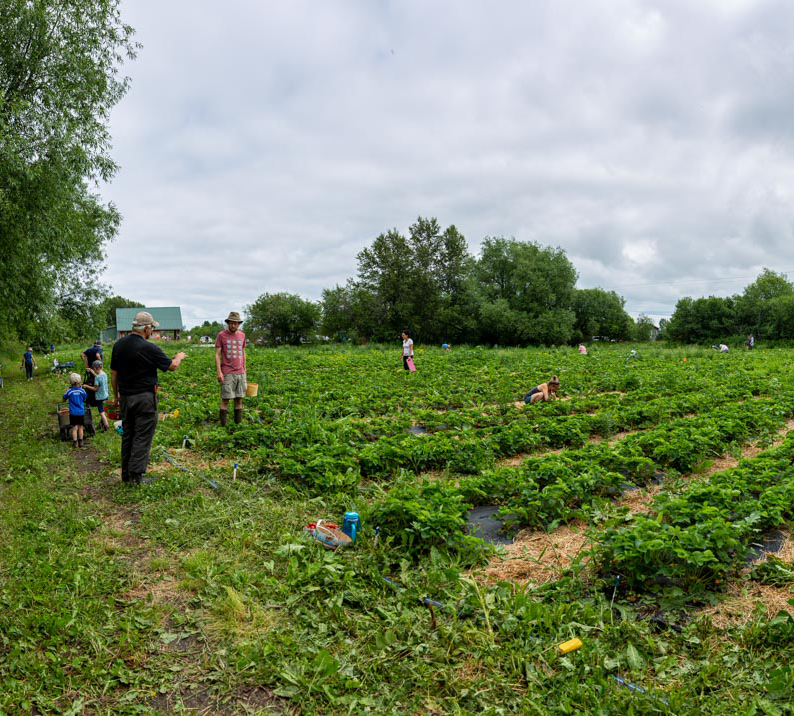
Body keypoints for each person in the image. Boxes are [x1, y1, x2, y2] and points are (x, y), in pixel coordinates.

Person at [110, 311, 187, 485]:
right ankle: (136, 477)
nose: (151, 330)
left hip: (126, 398)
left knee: (128, 435)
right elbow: (172, 366)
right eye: (151, 327)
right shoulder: (148, 347)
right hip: (144, 399)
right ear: (145, 328)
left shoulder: (119, 345)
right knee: (142, 436)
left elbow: (114, 374)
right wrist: (179, 357)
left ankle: (126, 475)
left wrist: (116, 397)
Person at [215, 311, 247, 426]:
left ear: (238, 324)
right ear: (228, 323)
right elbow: (217, 354)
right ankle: (223, 428)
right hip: (227, 373)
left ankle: (237, 426)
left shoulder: (242, 335)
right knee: (226, 399)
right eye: (231, 323)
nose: (233, 325)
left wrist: (245, 372)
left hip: (240, 373)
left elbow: (243, 354)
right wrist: (219, 372)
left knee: (239, 399)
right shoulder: (221, 335)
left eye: (235, 323)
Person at [83, 360, 110, 431]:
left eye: (93, 369)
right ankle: (103, 424)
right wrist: (92, 372)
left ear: (95, 368)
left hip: (100, 397)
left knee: (101, 413)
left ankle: (106, 426)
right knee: (104, 411)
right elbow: (99, 377)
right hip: (106, 395)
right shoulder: (104, 374)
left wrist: (86, 386)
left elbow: (95, 389)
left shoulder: (97, 378)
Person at [63, 372, 88, 448]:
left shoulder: (69, 391)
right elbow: (85, 398)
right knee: (80, 427)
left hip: (73, 413)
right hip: (81, 412)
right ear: (79, 382)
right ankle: (81, 441)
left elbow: (64, 398)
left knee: (74, 428)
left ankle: (75, 443)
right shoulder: (82, 391)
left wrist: (65, 391)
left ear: (71, 382)